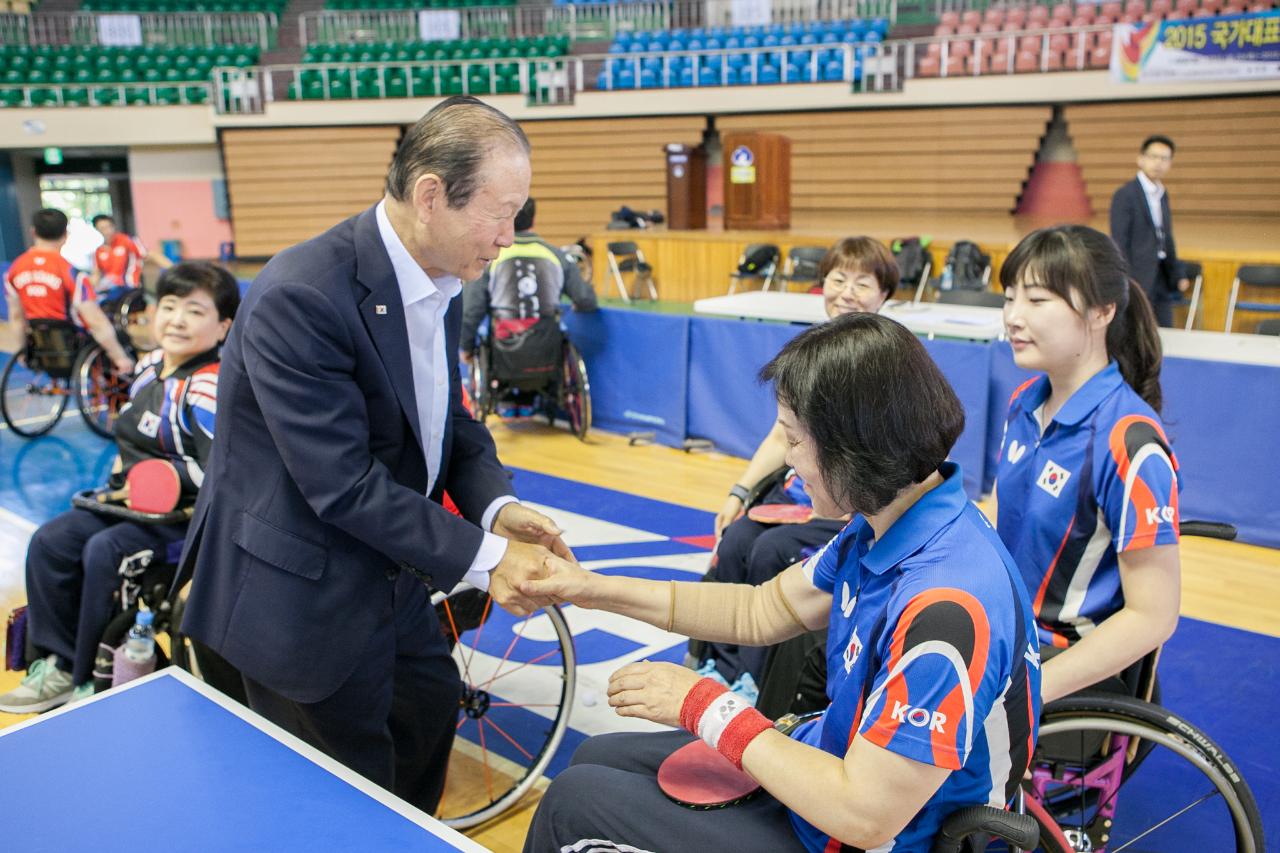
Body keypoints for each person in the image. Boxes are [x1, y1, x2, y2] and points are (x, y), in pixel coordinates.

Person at [177, 96, 570, 814]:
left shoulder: (443, 277)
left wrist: (498, 505)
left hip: (387, 573)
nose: (510, 237)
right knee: (339, 801)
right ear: (430, 197)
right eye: (501, 212)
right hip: (297, 591)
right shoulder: (303, 296)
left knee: (426, 715)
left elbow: (443, 419)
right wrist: (488, 556)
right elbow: (344, 485)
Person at [520, 313, 1041, 853]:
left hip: (864, 830)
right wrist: (587, 587)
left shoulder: (945, 611)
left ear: (855, 447)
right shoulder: (894, 515)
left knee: (573, 799)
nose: (789, 465)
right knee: (594, 759)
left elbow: (864, 817)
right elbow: (760, 611)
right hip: (830, 769)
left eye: (795, 440)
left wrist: (705, 705)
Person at [0, 261, 239, 713]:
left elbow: (227, 475)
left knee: (105, 551)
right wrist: (127, 477)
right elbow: (128, 443)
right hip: (136, 507)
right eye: (169, 306)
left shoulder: (209, 387)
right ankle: (56, 663)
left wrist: (165, 482)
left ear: (224, 326)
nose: (177, 320)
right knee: (51, 541)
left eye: (195, 311)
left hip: (189, 524)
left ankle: (93, 674)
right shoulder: (148, 369)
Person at [696, 237, 899, 689]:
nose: (846, 293)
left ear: (885, 296)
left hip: (849, 505)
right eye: (838, 278)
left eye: (862, 284)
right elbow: (778, 436)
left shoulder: (888, 361)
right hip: (793, 494)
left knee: (772, 551)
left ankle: (753, 679)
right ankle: (716, 662)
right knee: (735, 540)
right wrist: (740, 491)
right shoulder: (810, 351)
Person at [996, 224, 1180, 705]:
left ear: (1102, 311)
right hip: (1000, 632)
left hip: (1056, 658)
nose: (1013, 317)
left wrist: (1032, 693)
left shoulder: (1128, 441)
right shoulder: (1024, 404)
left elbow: (1153, 616)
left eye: (1036, 301)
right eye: (1010, 297)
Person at [459, 195, 597, 358]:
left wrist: (466, 347)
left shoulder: (490, 260)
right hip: (548, 350)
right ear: (534, 219)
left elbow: (471, 309)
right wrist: (579, 305)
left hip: (504, 351)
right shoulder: (557, 256)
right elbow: (586, 299)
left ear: (508, 217)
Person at [4, 208, 134, 374]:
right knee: (120, 335)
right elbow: (95, 321)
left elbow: (16, 317)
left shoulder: (14, 270)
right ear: (66, 234)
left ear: (33, 232)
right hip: (73, 342)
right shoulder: (72, 273)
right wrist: (119, 357)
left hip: (39, 343)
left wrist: (22, 351)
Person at [1109, 135, 1189, 328]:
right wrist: (1127, 279)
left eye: (1164, 159)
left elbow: (1165, 237)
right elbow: (1119, 241)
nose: (1158, 163)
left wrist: (1177, 274)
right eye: (1153, 157)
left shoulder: (1162, 194)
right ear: (1141, 159)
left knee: (1165, 331)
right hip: (1138, 277)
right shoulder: (1125, 195)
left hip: (1161, 275)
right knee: (1138, 331)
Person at [91, 214, 171, 293]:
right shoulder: (99, 251)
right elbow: (96, 273)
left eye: (109, 226)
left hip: (129, 287)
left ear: (113, 226)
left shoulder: (127, 241)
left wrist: (174, 269)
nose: (107, 231)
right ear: (97, 230)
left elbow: (151, 255)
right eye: (102, 228)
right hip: (110, 288)